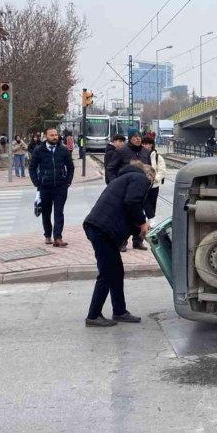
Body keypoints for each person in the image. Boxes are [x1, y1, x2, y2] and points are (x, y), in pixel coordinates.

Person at [83, 160, 154, 327]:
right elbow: (132, 202)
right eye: (152, 179)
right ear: (148, 174)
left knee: (115, 272)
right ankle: (93, 316)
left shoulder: (125, 178)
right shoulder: (140, 178)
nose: (151, 184)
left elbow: (126, 211)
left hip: (100, 228)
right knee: (107, 273)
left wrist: (140, 231)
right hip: (103, 230)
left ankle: (119, 311)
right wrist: (143, 222)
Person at [106, 128, 151, 251]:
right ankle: (122, 241)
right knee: (123, 216)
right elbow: (110, 168)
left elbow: (149, 168)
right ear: (130, 138)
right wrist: (114, 183)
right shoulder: (121, 151)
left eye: (139, 136)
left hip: (140, 189)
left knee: (138, 214)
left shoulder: (145, 152)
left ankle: (138, 241)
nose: (138, 139)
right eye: (135, 137)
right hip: (124, 190)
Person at [30, 128, 75, 247]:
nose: (55, 137)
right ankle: (48, 235)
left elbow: (70, 167)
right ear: (46, 136)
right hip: (45, 187)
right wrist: (37, 183)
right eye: (52, 135)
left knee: (59, 212)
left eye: (56, 135)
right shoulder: (39, 150)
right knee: (46, 212)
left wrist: (68, 181)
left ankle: (58, 237)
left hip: (60, 187)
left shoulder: (63, 150)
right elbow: (32, 168)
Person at [140, 136, 166, 225]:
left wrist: (155, 179)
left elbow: (162, 170)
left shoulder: (157, 157)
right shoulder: (139, 155)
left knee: (152, 202)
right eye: (143, 144)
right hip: (142, 183)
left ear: (151, 145)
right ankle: (150, 218)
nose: (144, 145)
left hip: (154, 184)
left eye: (146, 144)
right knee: (144, 201)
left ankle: (150, 219)